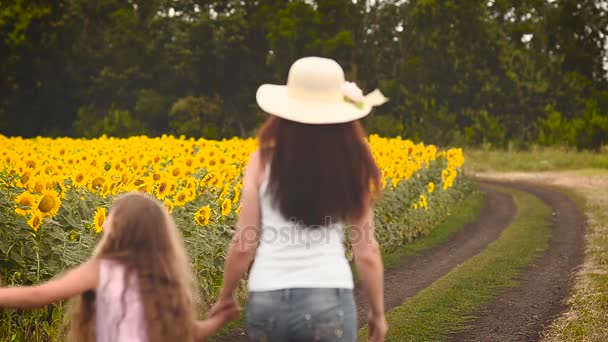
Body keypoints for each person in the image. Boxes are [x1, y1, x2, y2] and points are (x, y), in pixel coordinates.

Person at [209, 56, 388, 342]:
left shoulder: (263, 160)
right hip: (329, 299)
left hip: (269, 299)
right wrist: (377, 313)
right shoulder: (351, 163)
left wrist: (226, 296)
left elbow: (244, 243)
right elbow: (367, 252)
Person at [0, 192, 237, 342]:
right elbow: (185, 332)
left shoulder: (102, 270)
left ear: (119, 227)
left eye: (111, 216)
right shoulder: (159, 278)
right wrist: (218, 321)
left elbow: (37, 295)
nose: (104, 222)